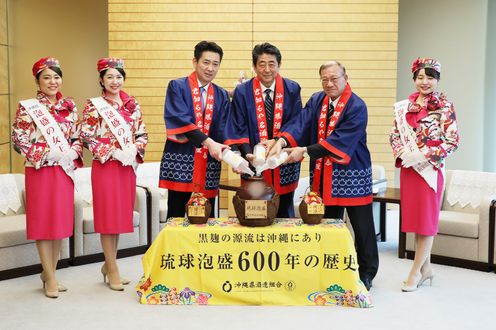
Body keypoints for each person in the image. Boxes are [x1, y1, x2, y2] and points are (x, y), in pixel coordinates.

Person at [268, 60, 378, 290]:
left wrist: (305, 150)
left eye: (334, 78)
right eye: (324, 79)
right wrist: (282, 140)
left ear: (345, 78)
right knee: (327, 223)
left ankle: (367, 272)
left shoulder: (357, 106)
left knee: (362, 225)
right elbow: (301, 122)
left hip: (352, 173)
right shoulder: (318, 100)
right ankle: (331, 268)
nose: (329, 84)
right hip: (323, 174)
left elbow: (339, 140)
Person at [12, 57, 83, 298]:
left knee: (60, 223)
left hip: (63, 170)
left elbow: (77, 136)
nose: (53, 82)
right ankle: (50, 276)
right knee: (44, 223)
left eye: (56, 76)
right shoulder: (28, 107)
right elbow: (19, 140)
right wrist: (46, 152)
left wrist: (73, 150)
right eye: (47, 77)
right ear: (37, 81)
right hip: (40, 171)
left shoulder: (70, 105)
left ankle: (49, 271)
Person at [390, 58, 459, 292]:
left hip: (429, 170)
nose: (425, 82)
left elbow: (452, 141)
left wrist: (425, 155)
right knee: (417, 222)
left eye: (430, 77)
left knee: (427, 223)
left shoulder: (445, 107)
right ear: (414, 79)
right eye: (420, 77)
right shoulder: (404, 107)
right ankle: (426, 270)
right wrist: (402, 152)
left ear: (437, 80)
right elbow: (394, 135)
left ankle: (414, 273)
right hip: (410, 170)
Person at [81, 57, 148, 291]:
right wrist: (112, 151)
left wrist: (133, 149)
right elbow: (86, 136)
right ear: (101, 79)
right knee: (108, 218)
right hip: (106, 167)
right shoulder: (94, 106)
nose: (115, 81)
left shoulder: (132, 104)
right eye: (109, 76)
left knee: (119, 219)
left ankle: (109, 264)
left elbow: (142, 133)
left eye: (119, 76)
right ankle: (113, 268)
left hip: (127, 167)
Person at [224, 42, 302, 218]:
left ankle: (284, 246)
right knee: (254, 211)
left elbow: (297, 122)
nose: (267, 69)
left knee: (284, 212)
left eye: (271, 64)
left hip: (282, 160)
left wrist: (280, 142)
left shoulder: (292, 89)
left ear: (279, 65)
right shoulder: (242, 92)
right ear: (254, 66)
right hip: (253, 160)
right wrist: (247, 154)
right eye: (262, 64)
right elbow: (238, 125)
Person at [159, 41, 230, 218]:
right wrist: (209, 142)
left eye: (215, 64)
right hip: (182, 159)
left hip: (209, 162)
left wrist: (234, 153)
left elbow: (223, 128)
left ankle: (204, 248)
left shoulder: (221, 94)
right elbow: (178, 119)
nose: (210, 68)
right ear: (195, 62)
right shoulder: (177, 86)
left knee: (206, 215)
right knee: (176, 214)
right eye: (206, 62)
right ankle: (175, 248)